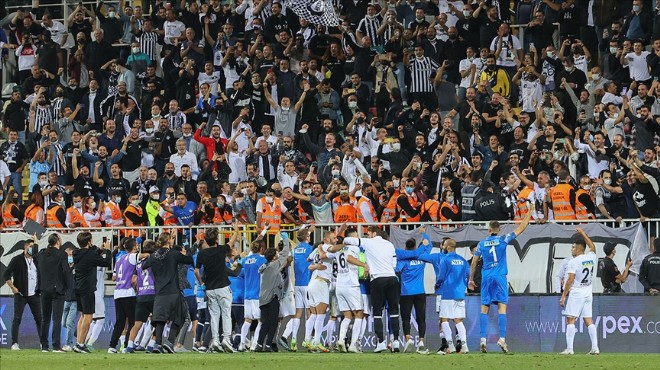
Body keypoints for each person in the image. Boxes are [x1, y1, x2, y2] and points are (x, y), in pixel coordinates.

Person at [469, 202, 534, 353]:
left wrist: (471, 279)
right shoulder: (503, 239)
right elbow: (521, 228)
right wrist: (529, 212)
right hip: (499, 277)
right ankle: (502, 339)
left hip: (486, 277)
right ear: (498, 230)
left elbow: (474, 262)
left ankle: (483, 339)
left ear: (489, 229)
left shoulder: (481, 244)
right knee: (502, 308)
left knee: (484, 308)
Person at [341, 226, 402, 353]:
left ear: (373, 233)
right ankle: (396, 341)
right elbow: (394, 264)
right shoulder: (389, 244)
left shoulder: (368, 242)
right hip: (392, 278)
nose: (367, 236)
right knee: (394, 311)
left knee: (377, 313)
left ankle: (380, 342)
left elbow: (349, 240)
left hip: (377, 279)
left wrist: (346, 239)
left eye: (368, 234)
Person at [142, 232, 194, 353]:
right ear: (169, 241)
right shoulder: (174, 254)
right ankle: (170, 342)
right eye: (172, 239)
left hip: (160, 293)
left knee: (160, 320)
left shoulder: (153, 256)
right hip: (174, 292)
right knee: (179, 318)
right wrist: (184, 254)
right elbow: (189, 260)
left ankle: (157, 344)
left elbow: (144, 265)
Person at [195, 226, 241, 353]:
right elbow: (231, 242)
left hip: (209, 288)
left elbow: (196, 271)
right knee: (226, 314)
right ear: (216, 239)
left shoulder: (202, 254)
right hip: (223, 287)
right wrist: (236, 230)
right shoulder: (221, 250)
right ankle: (226, 339)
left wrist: (202, 283)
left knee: (214, 316)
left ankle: (215, 340)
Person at [559, 228, 600, 355]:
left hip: (577, 293)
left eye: (573, 247)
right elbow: (592, 247)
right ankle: (595, 348)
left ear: (578, 248)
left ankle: (570, 349)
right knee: (588, 320)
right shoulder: (591, 258)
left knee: (570, 319)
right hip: (588, 292)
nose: (572, 249)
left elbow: (570, 280)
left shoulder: (573, 262)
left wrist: (563, 296)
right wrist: (583, 234)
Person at [72, 232, 112, 353]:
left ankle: (78, 343)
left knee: (82, 316)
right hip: (87, 289)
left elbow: (89, 257)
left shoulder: (76, 253)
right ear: (89, 242)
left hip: (78, 287)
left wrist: (100, 250)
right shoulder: (89, 254)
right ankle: (80, 344)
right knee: (88, 317)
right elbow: (106, 262)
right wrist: (108, 250)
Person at [333, 227, 369, 353]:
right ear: (351, 237)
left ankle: (341, 340)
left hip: (340, 285)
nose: (357, 237)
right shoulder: (354, 248)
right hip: (351, 285)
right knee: (359, 314)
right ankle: (353, 344)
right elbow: (349, 259)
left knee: (347, 315)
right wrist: (364, 265)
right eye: (355, 235)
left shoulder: (339, 249)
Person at [3, 237, 42, 351]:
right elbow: (6, 274)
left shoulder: (36, 259)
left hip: (34, 294)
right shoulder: (16, 260)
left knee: (39, 319)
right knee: (17, 319)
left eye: (33, 247)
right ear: (25, 247)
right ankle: (14, 343)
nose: (32, 249)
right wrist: (13, 287)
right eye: (30, 247)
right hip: (20, 294)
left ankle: (42, 343)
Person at [256, 232, 292, 352]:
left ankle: (259, 344)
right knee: (273, 323)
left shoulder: (264, 266)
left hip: (262, 298)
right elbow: (285, 253)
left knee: (265, 323)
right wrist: (286, 240)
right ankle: (268, 345)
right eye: (276, 254)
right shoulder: (274, 265)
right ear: (274, 257)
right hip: (272, 297)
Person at [36, 234, 69, 352]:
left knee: (45, 319)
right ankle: (56, 346)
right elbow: (66, 272)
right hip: (57, 290)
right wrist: (67, 287)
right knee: (56, 319)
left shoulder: (41, 253)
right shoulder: (62, 255)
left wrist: (36, 243)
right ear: (58, 242)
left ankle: (44, 345)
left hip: (44, 289)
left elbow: (37, 263)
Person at [437, 238, 470, 355]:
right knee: (458, 320)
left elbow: (441, 276)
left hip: (448, 293)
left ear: (449, 247)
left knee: (444, 319)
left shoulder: (445, 259)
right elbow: (467, 276)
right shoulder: (463, 260)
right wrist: (463, 287)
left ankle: (450, 345)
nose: (443, 247)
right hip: (460, 293)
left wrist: (437, 284)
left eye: (444, 245)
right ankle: (465, 345)